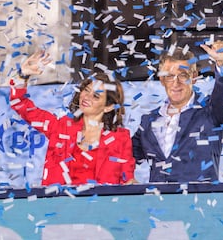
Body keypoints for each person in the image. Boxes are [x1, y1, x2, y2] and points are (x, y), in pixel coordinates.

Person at [9, 51, 136, 186]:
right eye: (86, 90)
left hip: (101, 206)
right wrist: (23, 75)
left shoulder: (121, 138)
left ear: (108, 107)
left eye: (96, 96)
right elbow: (20, 103)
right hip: (57, 205)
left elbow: (127, 179)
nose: (87, 97)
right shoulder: (60, 127)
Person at [132, 40, 223, 183]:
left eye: (183, 75)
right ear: (161, 79)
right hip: (158, 202)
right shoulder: (148, 121)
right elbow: (125, 158)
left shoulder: (211, 112)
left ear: (194, 77)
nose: (176, 83)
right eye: (169, 76)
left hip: (199, 202)